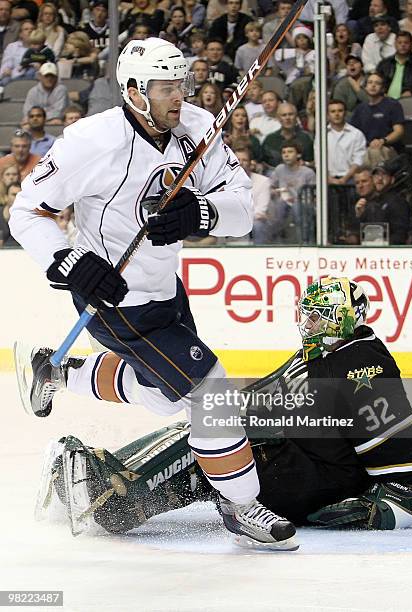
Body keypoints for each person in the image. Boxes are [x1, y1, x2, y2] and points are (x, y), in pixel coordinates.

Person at [10, 37, 297, 552]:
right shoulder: (92, 141)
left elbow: (242, 204)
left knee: (166, 397)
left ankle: (57, 370)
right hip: (114, 300)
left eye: (182, 85)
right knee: (213, 393)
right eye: (167, 87)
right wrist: (71, 262)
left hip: (167, 291)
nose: (179, 97)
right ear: (135, 92)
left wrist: (201, 212)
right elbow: (26, 212)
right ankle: (241, 507)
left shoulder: (194, 128)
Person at [38, 277, 412, 536]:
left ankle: (112, 498)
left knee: (209, 446)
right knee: (208, 427)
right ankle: (112, 488)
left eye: (318, 317)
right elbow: (283, 398)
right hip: (297, 459)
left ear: (343, 320)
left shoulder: (361, 365)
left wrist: (395, 498)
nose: (307, 324)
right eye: (307, 315)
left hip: (312, 476)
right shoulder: (329, 351)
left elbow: (406, 448)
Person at [349, 72, 405, 168]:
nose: (373, 85)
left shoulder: (393, 105)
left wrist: (383, 141)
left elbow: (399, 131)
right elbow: (353, 133)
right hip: (365, 148)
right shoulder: (360, 108)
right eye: (370, 82)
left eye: (377, 83)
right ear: (365, 87)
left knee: (374, 152)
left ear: (383, 88)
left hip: (387, 147)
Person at [270, 140, 316, 243]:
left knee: (296, 206)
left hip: (303, 204)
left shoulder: (308, 172)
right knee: (280, 205)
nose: (286, 155)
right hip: (283, 202)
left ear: (298, 154)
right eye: (284, 152)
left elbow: (313, 195)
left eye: (290, 152)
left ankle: (304, 241)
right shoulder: (279, 169)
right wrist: (276, 191)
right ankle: (275, 242)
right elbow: (270, 188)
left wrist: (296, 198)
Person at [376, 30, 412, 99]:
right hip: (385, 101)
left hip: (410, 101)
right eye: (399, 42)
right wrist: (382, 92)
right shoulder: (384, 64)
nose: (403, 45)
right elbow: (377, 81)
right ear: (395, 44)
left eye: (406, 42)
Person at [234, 145, 271, 244]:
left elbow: (261, 210)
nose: (240, 163)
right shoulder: (224, 182)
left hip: (254, 221)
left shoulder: (263, 181)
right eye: (237, 159)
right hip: (232, 219)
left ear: (251, 163)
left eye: (244, 160)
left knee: (258, 225)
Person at [261, 102, 314, 168]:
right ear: (278, 118)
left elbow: (312, 162)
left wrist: (305, 164)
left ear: (296, 117)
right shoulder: (270, 139)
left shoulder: (305, 138)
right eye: (284, 115)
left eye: (290, 114)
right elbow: (263, 162)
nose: (287, 118)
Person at [327, 99, 366, 186]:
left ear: (345, 113)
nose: (337, 114)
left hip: (351, 179)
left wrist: (344, 179)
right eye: (333, 111)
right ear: (328, 115)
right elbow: (319, 161)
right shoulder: (321, 135)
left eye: (340, 111)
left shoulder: (357, 134)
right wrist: (329, 179)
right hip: (327, 180)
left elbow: (358, 161)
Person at [0, 0, 20, 64]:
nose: (4, 12)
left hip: (9, 64)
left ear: (10, 12)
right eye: (1, 9)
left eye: (7, 10)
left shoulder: (17, 27)